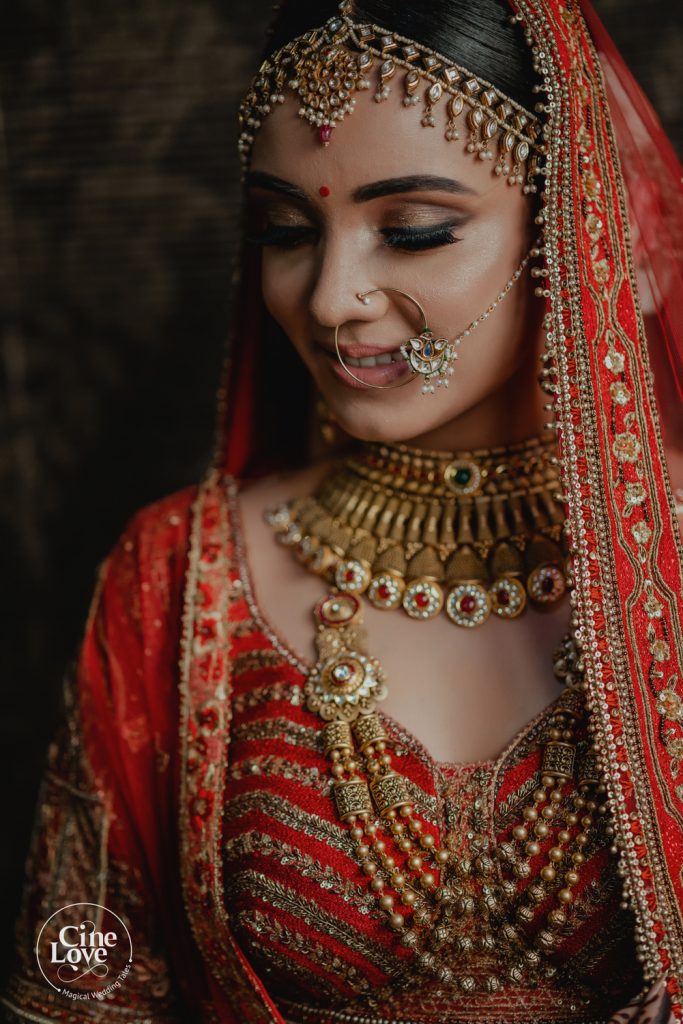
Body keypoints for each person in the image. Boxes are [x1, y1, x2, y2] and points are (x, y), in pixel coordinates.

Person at [3, 0, 683, 1021]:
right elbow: (77, 977)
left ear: (570, 218)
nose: (328, 299)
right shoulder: (182, 573)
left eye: (411, 231)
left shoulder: (669, 551)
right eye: (286, 229)